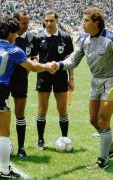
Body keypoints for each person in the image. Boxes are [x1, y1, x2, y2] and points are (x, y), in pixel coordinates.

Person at [0, 16, 55, 178]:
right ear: (9, 34)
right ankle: (5, 170)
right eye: (15, 33)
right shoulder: (13, 50)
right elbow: (33, 66)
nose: (16, 36)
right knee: (4, 133)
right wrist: (47, 67)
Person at [53, 7, 113, 169]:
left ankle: (102, 161)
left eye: (86, 20)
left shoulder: (111, 39)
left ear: (96, 23)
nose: (82, 23)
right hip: (94, 82)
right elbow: (73, 61)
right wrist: (58, 65)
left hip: (110, 83)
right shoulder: (83, 39)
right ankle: (112, 148)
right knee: (93, 120)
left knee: (103, 121)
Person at [0, 10, 39, 158]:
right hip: (4, 81)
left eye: (27, 23)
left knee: (20, 114)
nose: (26, 26)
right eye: (23, 23)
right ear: (16, 23)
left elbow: (33, 59)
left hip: (21, 81)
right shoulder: (8, 37)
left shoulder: (31, 38)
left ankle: (21, 148)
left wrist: (29, 70)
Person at [35, 10, 74, 150]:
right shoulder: (38, 38)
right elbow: (33, 58)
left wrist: (72, 78)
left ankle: (65, 137)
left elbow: (71, 60)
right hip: (43, 76)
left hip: (61, 76)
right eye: (47, 20)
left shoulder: (65, 37)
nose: (49, 23)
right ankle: (40, 140)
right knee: (42, 108)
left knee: (62, 108)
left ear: (57, 21)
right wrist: (42, 67)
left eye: (52, 20)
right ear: (44, 21)